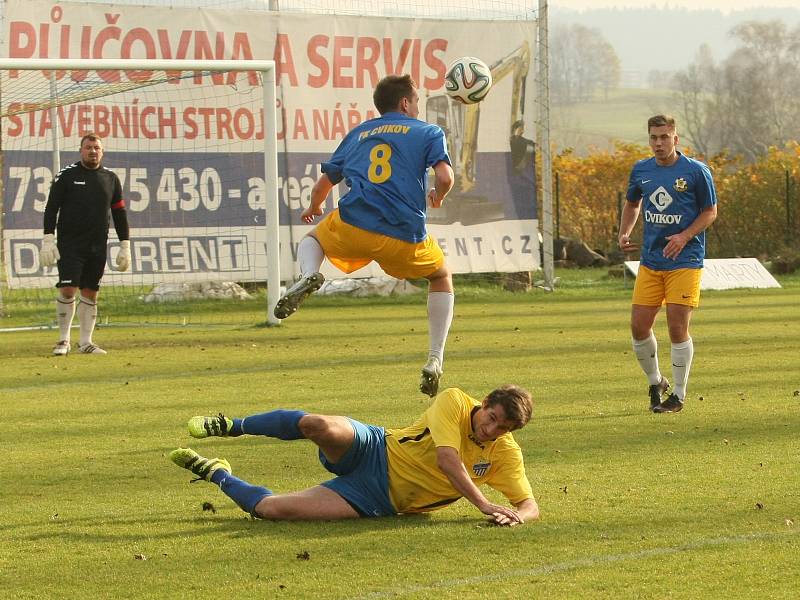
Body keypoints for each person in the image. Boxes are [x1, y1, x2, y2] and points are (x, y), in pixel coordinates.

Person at [273, 74, 455, 397]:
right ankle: (434, 359)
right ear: (404, 103)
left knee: (312, 240)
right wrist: (439, 197)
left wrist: (313, 207)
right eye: (415, 101)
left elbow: (322, 186)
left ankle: (309, 275)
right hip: (402, 235)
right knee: (440, 276)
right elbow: (444, 176)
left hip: (354, 223)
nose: (417, 106)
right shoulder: (428, 132)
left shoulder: (359, 133)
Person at [169, 385, 539, 526]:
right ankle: (232, 425)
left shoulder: (504, 453)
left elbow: (529, 504)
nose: (491, 431)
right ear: (485, 403)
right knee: (318, 425)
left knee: (271, 510)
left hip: (377, 498)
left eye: (502, 429)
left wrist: (517, 517)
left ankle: (216, 472)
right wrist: (484, 504)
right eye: (491, 419)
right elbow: (447, 458)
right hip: (375, 445)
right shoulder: (455, 402)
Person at [619, 115, 718, 413]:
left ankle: (678, 395)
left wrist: (685, 236)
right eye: (654, 137)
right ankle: (656, 382)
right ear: (649, 139)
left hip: (684, 261)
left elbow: (710, 211)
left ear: (676, 139)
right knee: (638, 327)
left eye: (665, 137)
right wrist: (624, 232)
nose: (659, 143)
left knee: (677, 327)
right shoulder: (641, 170)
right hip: (651, 260)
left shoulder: (696, 171)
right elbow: (632, 203)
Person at [39, 133, 131, 355]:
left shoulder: (110, 178)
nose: (92, 151)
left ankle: (86, 342)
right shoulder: (66, 176)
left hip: (97, 245)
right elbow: (51, 208)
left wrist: (125, 244)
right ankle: (63, 341)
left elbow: (119, 213)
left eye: (96, 148)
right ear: (81, 150)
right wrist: (48, 238)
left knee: (91, 292)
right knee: (69, 289)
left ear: (102, 151)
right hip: (70, 245)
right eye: (88, 147)